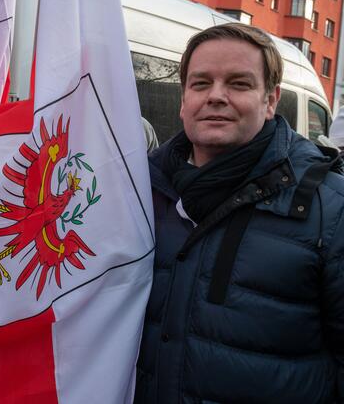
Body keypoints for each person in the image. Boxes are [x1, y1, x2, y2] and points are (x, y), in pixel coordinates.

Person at [135, 23, 344, 403]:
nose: (216, 96)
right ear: (183, 101)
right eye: (201, 84)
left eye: (239, 84)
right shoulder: (138, 191)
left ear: (270, 101)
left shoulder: (330, 209)